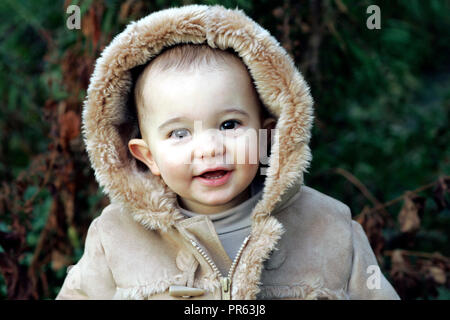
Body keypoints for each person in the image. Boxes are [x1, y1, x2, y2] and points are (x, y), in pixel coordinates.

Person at [56, 4, 400, 300]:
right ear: (147, 157)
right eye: (179, 133)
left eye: (229, 125)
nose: (208, 148)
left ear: (267, 135)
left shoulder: (329, 226)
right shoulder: (115, 236)